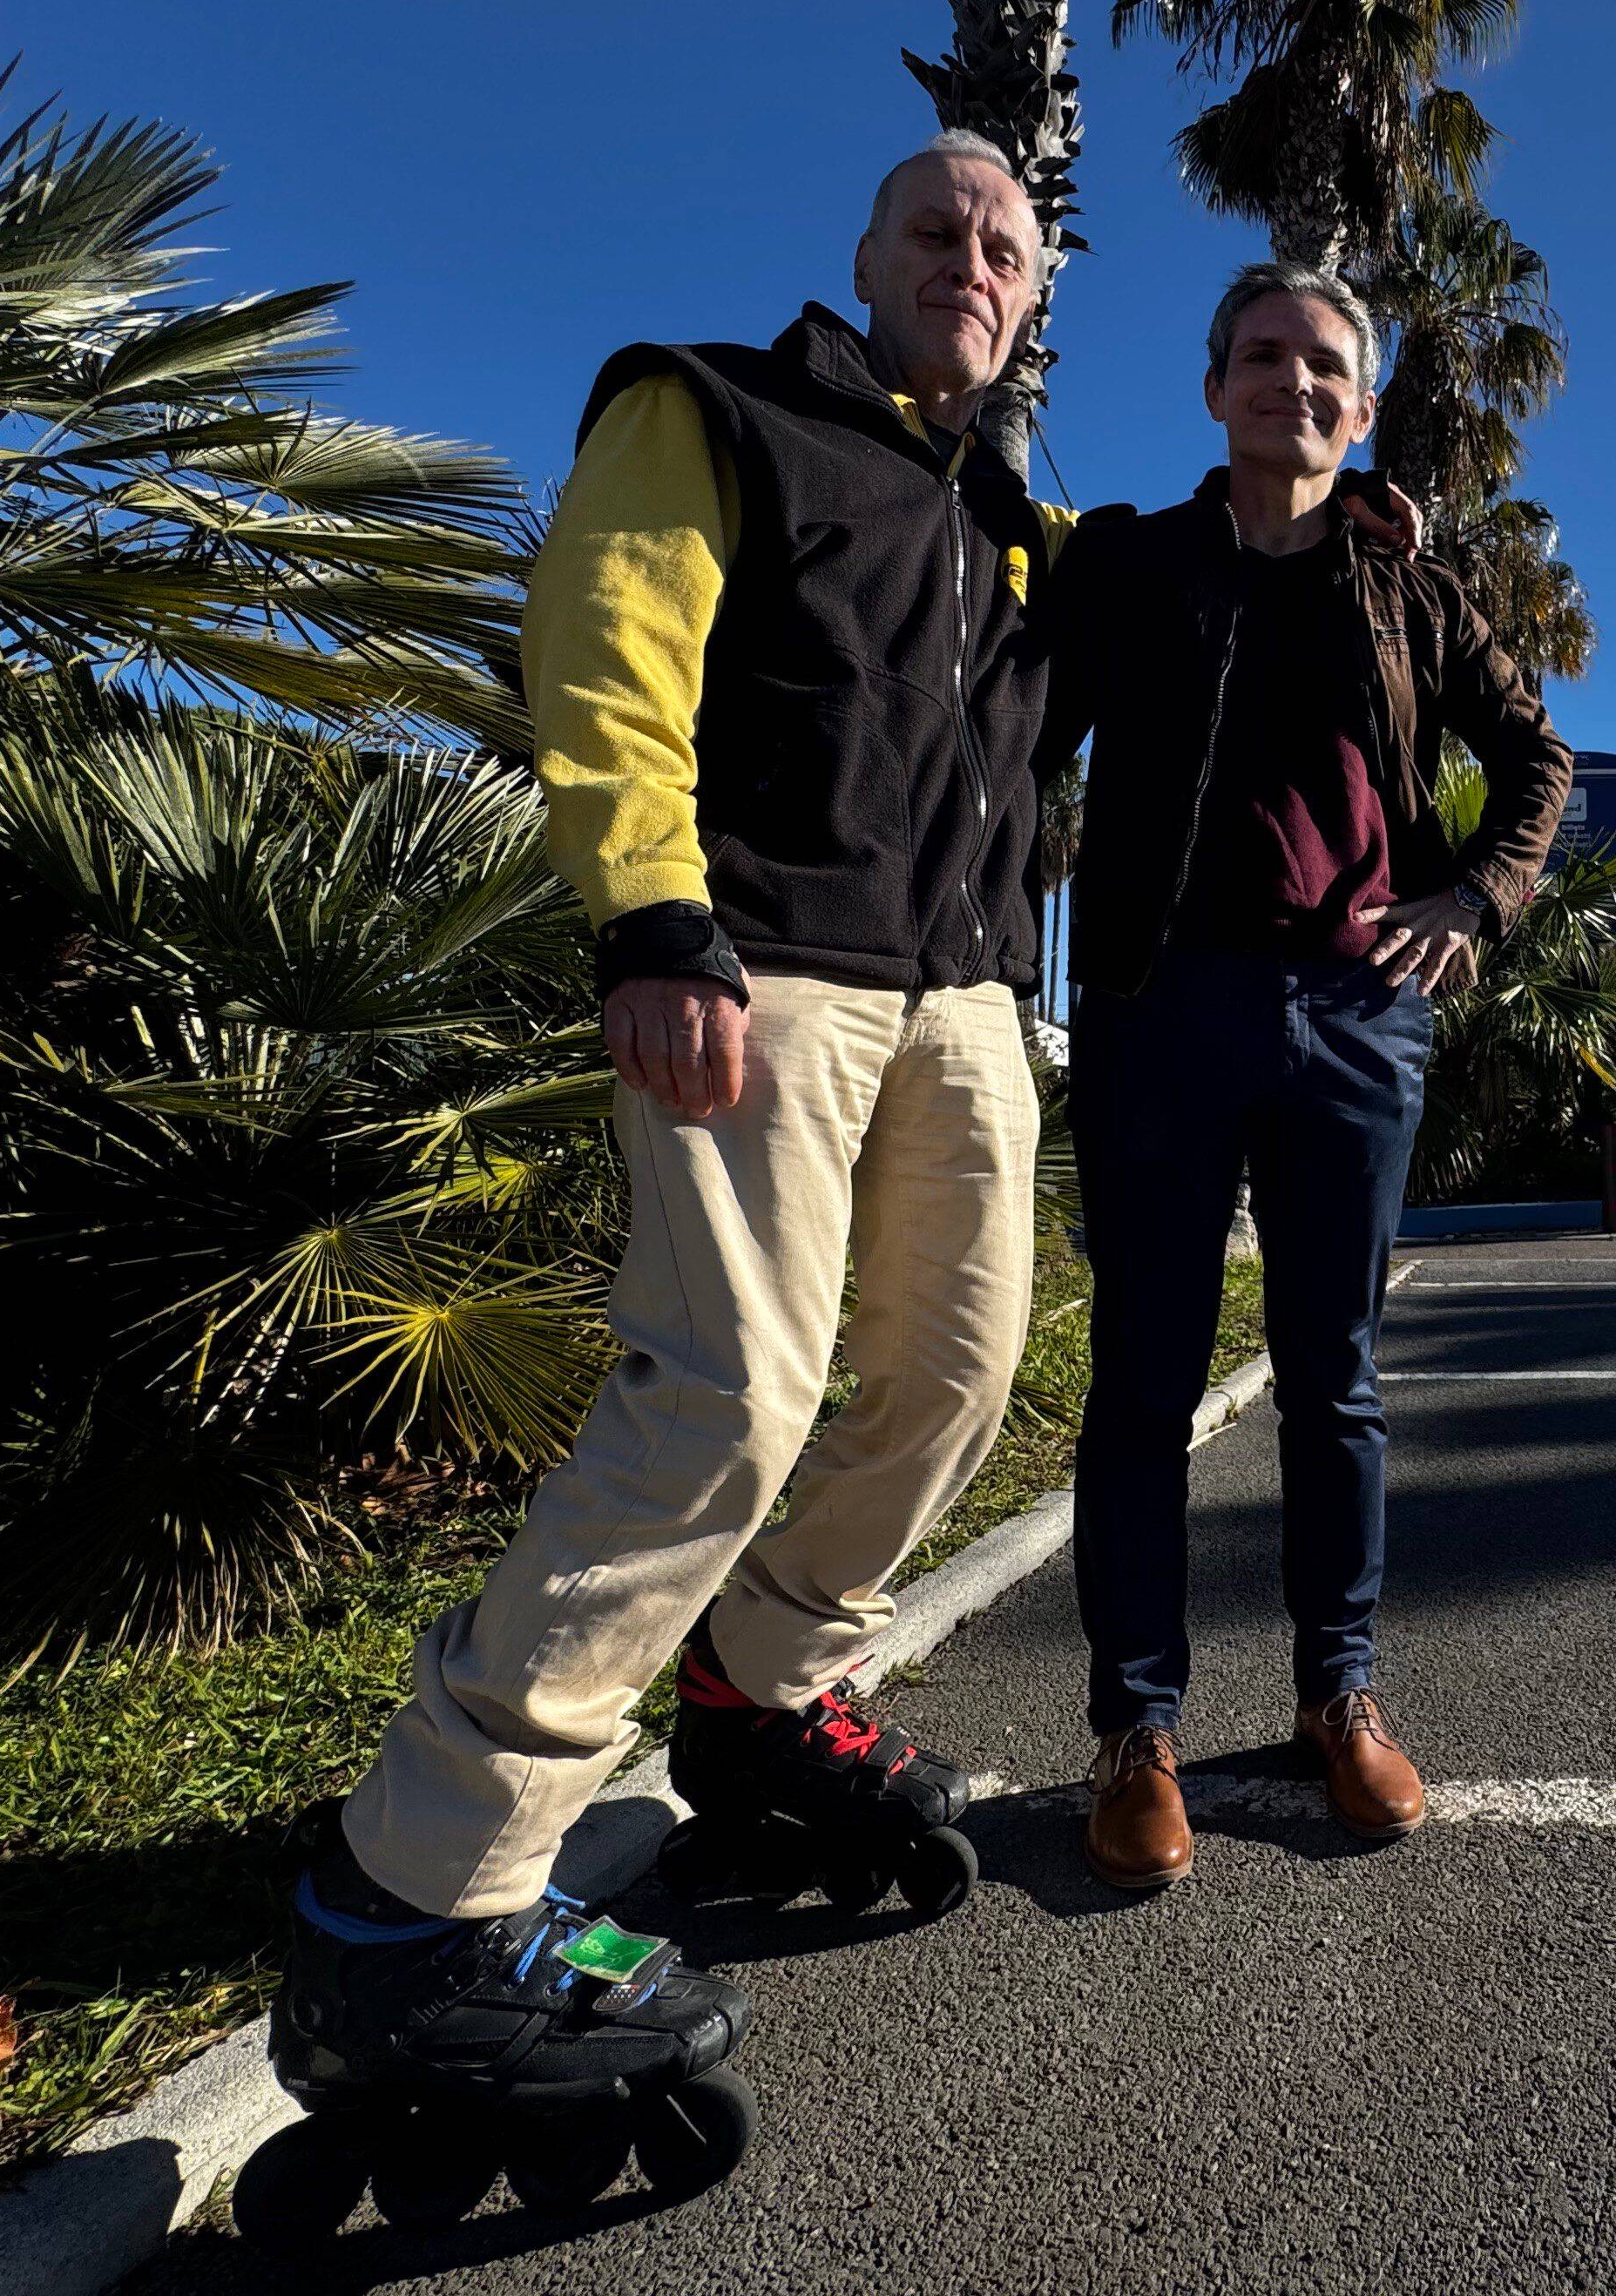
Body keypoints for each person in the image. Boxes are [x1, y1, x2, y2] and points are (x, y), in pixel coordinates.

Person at [260, 132, 1065, 2191]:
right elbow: (608, 652)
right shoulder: (713, 405)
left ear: (1031, 298)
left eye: (1005, 244)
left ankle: (765, 1694)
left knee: (956, 1379)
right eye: (936, 228)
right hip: (762, 965)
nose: (968, 259)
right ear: (868, 255)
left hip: (964, 1003)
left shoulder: (1015, 526)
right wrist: (651, 916)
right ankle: (416, 1894)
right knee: (724, 1393)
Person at [1038, 260, 1574, 1892]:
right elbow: (1015, 738)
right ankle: (1137, 1733)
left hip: (1356, 1015)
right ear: (1215, 389)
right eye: (1264, 357)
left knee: (1331, 1377)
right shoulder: (1128, 564)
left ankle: (1340, 1696)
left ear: (1360, 404)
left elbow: (1538, 755)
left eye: (1327, 364)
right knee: (1142, 1379)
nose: (1296, 382)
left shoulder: (1411, 582)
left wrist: (1474, 897)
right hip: (1159, 1006)